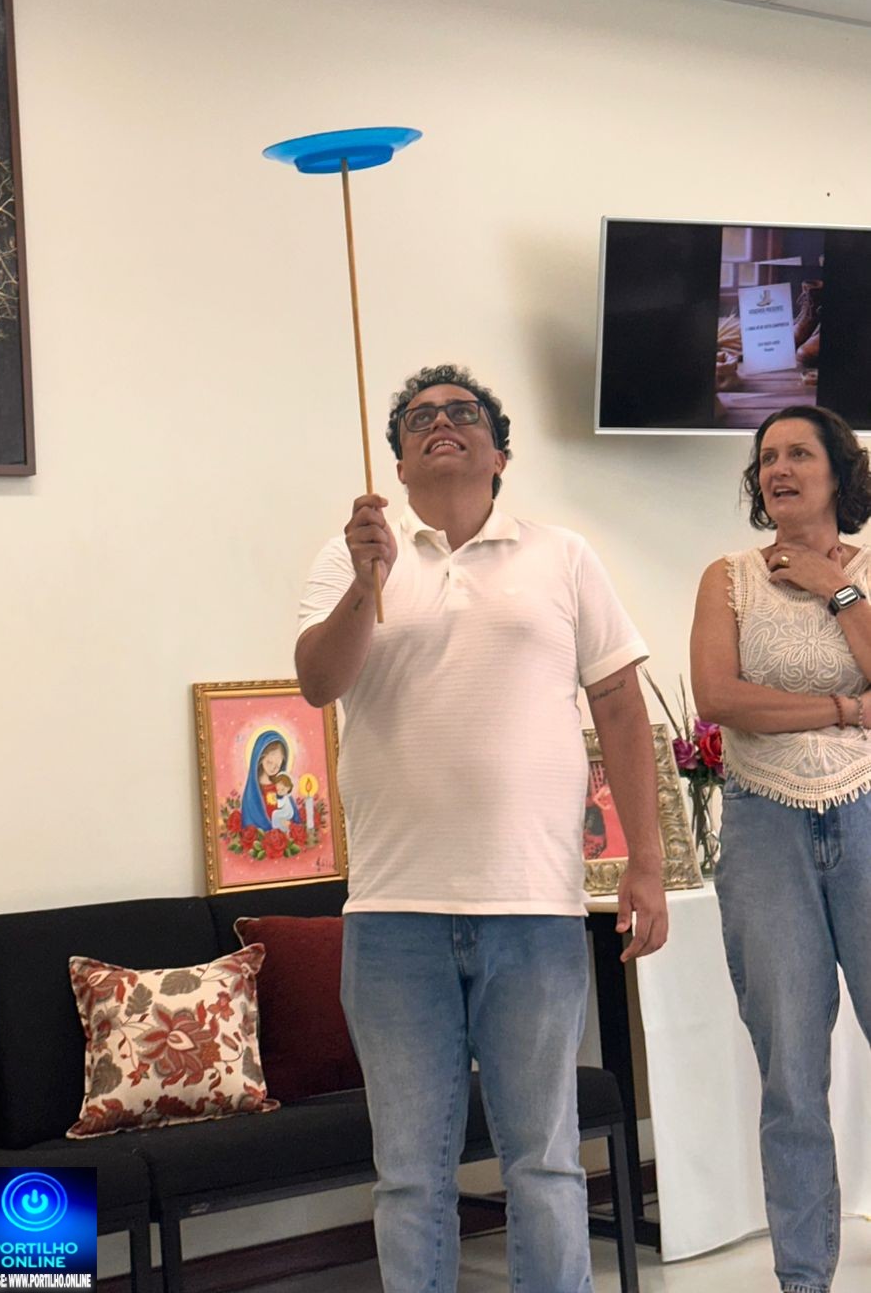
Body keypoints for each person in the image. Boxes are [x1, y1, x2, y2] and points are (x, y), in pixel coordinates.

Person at [295, 363, 668, 1293]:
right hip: (393, 913)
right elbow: (318, 683)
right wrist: (367, 580)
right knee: (410, 1175)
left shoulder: (564, 555)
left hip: (534, 908)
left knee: (543, 1164)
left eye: (464, 413)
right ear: (398, 461)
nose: (442, 423)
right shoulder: (352, 557)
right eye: (420, 418)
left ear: (500, 454)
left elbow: (622, 709)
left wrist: (647, 862)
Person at [690, 404, 871, 1293]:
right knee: (792, 1073)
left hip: (867, 812)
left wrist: (835, 588)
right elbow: (721, 700)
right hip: (763, 825)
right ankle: (804, 1279)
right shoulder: (727, 578)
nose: (779, 469)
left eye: (800, 453)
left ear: (839, 471)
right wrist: (846, 707)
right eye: (767, 458)